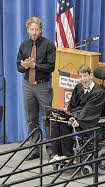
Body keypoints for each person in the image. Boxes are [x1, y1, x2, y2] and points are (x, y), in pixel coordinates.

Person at [17, 17, 56, 160]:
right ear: (28, 30)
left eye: (36, 29)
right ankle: (35, 149)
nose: (34, 32)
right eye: (31, 29)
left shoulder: (49, 45)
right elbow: (18, 67)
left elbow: (51, 67)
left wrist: (35, 66)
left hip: (43, 86)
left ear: (41, 30)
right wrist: (24, 66)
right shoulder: (24, 45)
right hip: (28, 86)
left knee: (47, 118)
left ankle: (51, 149)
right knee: (31, 119)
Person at [50, 65, 105, 161]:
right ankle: (57, 154)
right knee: (58, 121)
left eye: (85, 76)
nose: (82, 79)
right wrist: (67, 114)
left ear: (91, 76)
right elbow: (72, 104)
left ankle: (68, 155)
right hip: (77, 114)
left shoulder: (99, 92)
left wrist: (78, 120)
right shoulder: (79, 87)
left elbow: (90, 109)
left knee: (66, 125)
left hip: (90, 118)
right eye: (80, 76)